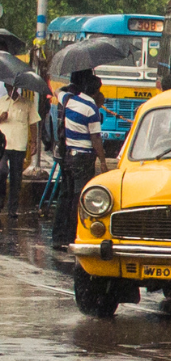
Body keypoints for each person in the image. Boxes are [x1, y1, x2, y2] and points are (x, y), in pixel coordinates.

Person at [52, 72, 108, 248]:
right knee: (80, 197)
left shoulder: (69, 100)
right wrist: (103, 161)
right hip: (84, 159)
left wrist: (71, 88)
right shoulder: (92, 109)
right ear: (94, 92)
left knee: (65, 195)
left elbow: (57, 91)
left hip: (68, 156)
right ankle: (72, 236)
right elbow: (96, 139)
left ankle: (58, 236)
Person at [0, 82, 39, 219]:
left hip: (19, 145)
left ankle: (12, 209)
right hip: (3, 146)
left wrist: (33, 142)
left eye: (12, 88)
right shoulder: (1, 102)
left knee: (16, 178)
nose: (10, 90)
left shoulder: (27, 104)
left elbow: (33, 124)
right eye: (8, 88)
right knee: (2, 171)